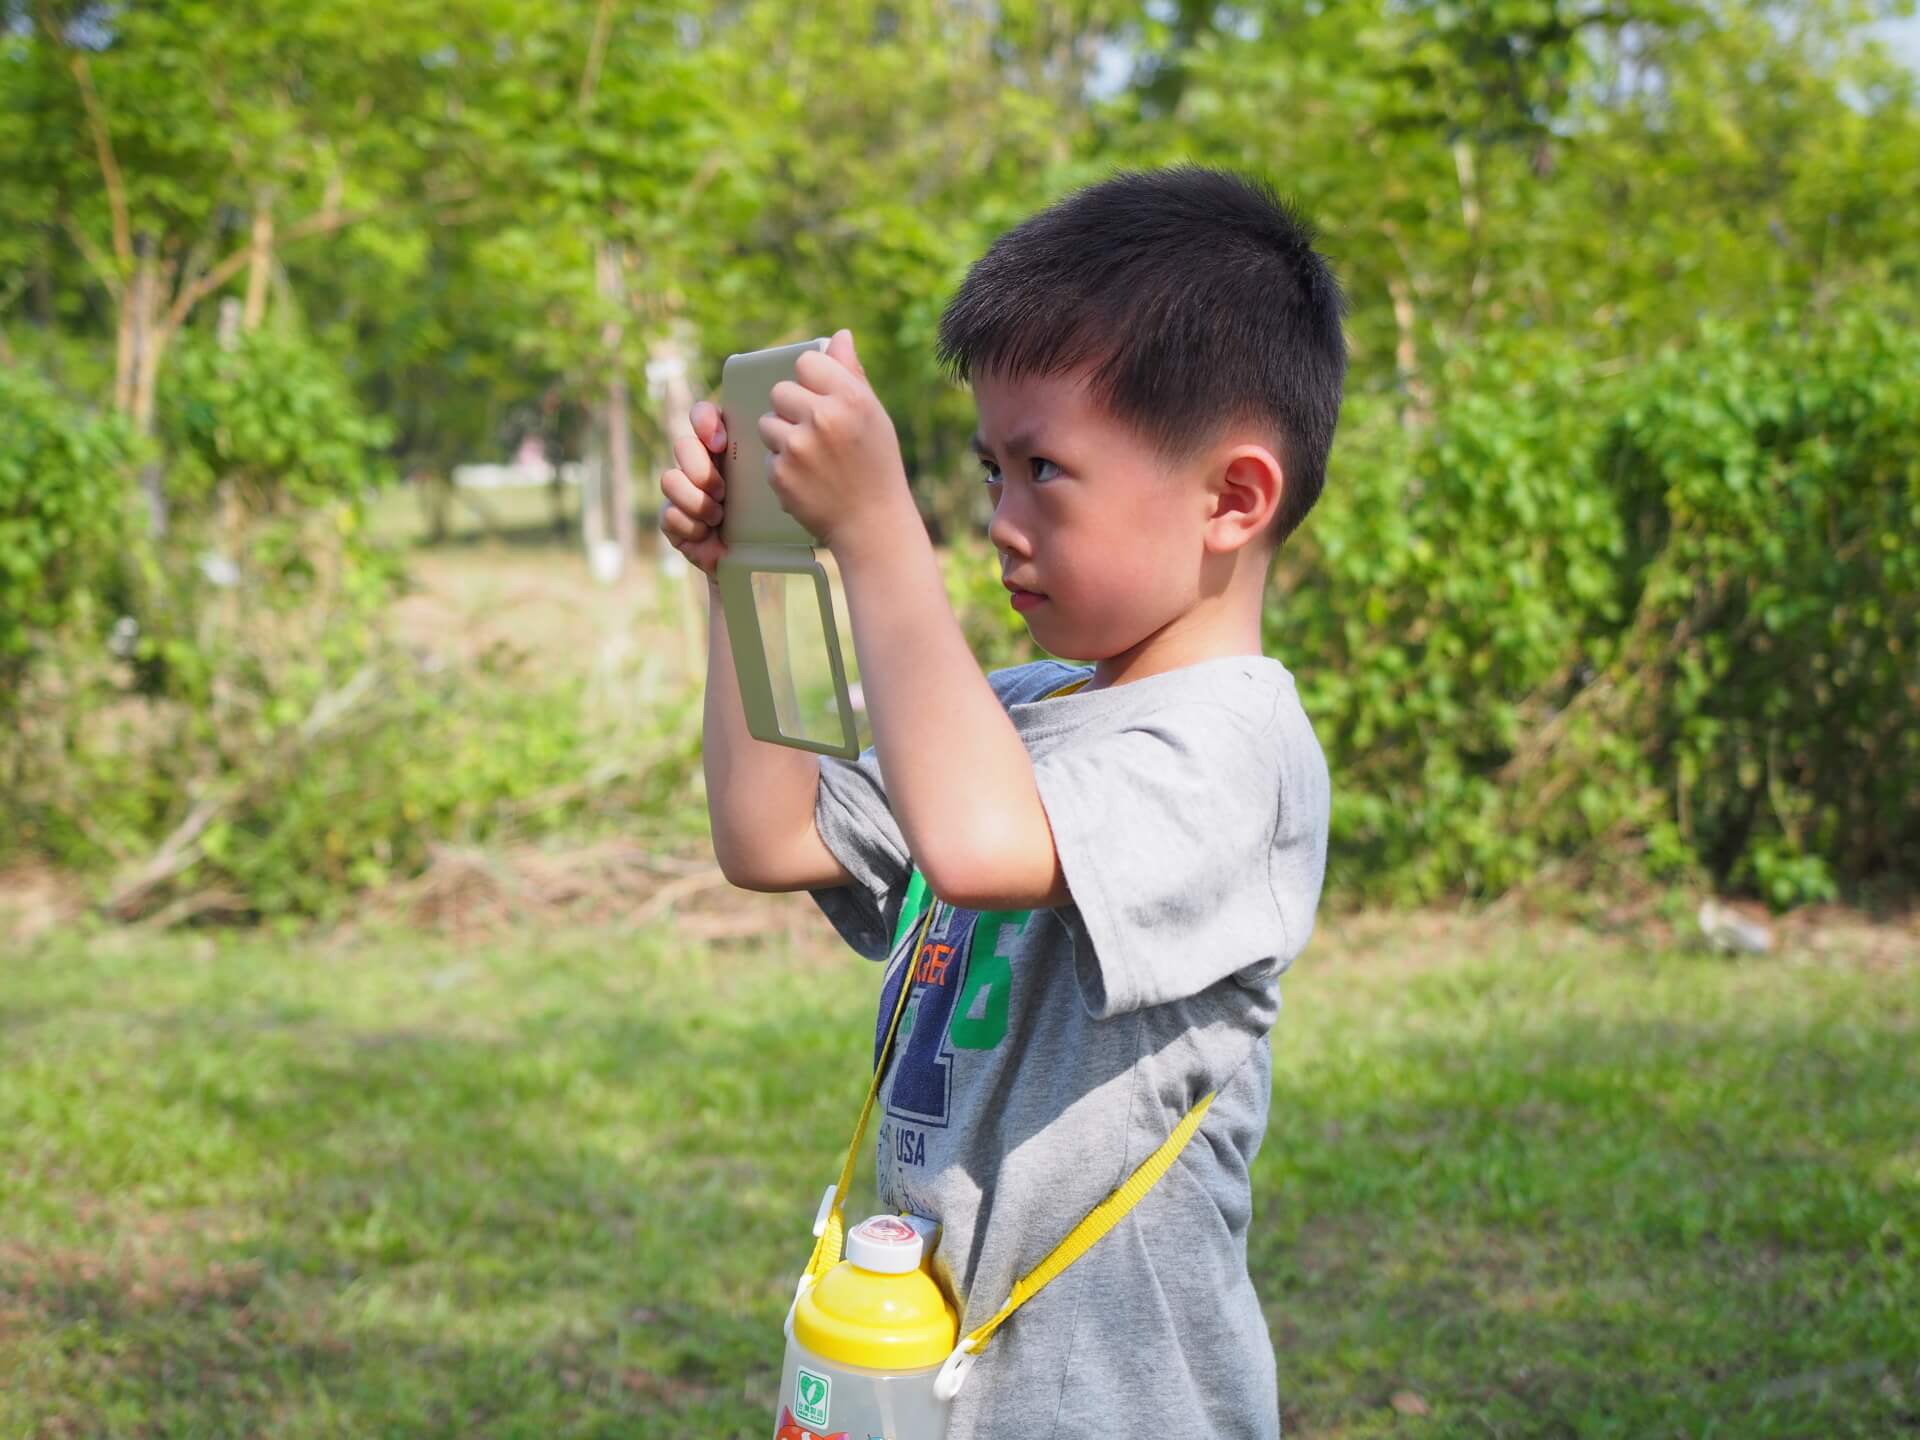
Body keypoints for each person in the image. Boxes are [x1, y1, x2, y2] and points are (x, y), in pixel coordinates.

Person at [659, 164, 1342, 1440]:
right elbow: (773, 832)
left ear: (1232, 500)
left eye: (1044, 470)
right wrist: (755, 576)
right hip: (935, 1391)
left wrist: (876, 535)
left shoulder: (1240, 753)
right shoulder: (1018, 709)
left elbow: (979, 845)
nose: (999, 523)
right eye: (988, 472)